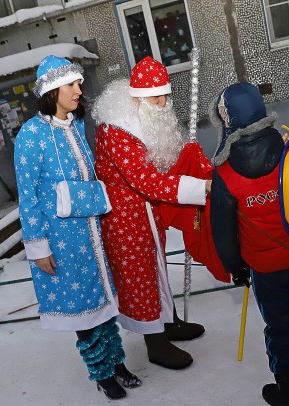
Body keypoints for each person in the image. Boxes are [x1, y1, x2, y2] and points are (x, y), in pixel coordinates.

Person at [14, 55, 140, 400]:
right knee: (84, 312)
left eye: (79, 83)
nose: (78, 90)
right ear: (52, 90)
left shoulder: (76, 126)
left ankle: (116, 363)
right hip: (62, 240)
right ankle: (101, 373)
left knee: (103, 304)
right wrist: (38, 246)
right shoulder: (31, 135)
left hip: (92, 237)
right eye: (71, 84)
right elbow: (27, 196)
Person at [209, 83, 289, 406]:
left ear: (227, 120)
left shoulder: (225, 174)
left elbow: (223, 232)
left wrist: (235, 268)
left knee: (279, 332)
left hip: (265, 271)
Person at [91, 56, 210, 370]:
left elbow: (158, 162)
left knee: (156, 270)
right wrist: (200, 189)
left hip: (145, 213)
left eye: (164, 94)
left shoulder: (144, 117)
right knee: (139, 278)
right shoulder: (117, 131)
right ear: (137, 96)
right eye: (155, 96)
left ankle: (168, 322)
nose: (162, 101)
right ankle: (155, 343)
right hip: (124, 219)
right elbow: (146, 181)